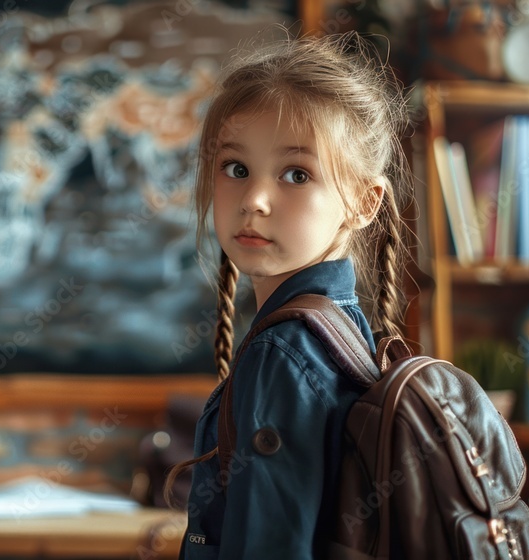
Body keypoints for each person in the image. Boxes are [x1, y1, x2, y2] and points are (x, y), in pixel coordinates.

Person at [167, 31, 414, 558]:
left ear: (364, 202)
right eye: (236, 169)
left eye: (296, 174)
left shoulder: (284, 354)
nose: (254, 199)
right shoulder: (342, 329)